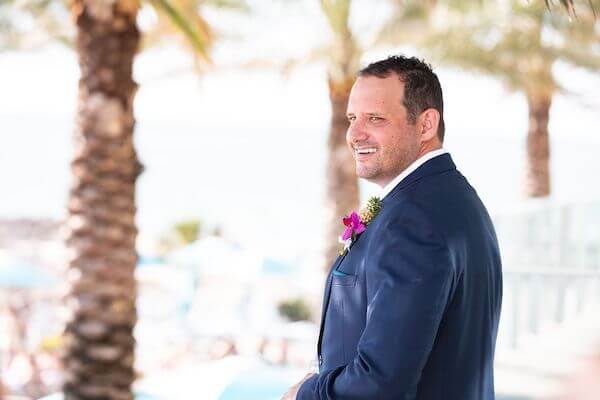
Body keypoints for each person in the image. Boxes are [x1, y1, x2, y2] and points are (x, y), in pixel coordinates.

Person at [281, 55, 503, 399]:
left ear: (426, 124)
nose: (354, 134)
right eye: (352, 118)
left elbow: (381, 382)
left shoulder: (414, 220)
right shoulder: (456, 200)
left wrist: (306, 394)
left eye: (375, 118)